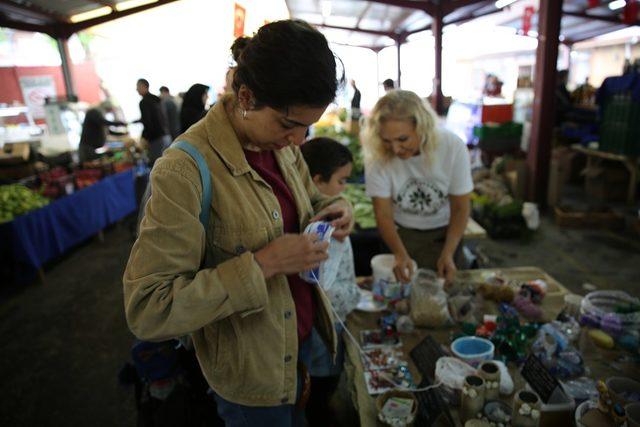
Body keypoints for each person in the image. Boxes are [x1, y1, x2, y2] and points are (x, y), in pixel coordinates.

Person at [123, 19, 352, 427]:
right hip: (251, 377)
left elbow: (306, 197)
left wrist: (333, 208)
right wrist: (262, 264)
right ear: (245, 96)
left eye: (307, 126)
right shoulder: (183, 171)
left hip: (299, 345)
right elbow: (149, 309)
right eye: (288, 124)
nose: (299, 141)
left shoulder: (281, 146)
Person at [362, 90, 472, 284]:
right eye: (387, 141)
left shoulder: (452, 146)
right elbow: (383, 214)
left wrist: (448, 253)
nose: (395, 149)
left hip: (445, 234)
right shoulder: (377, 156)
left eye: (403, 139)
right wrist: (399, 253)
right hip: (400, 234)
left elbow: (461, 208)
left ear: (423, 128)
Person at [300, 137, 359, 427]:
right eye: (342, 181)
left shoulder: (326, 214)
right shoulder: (321, 230)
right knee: (321, 384)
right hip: (324, 325)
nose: (344, 190)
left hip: (325, 322)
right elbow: (323, 289)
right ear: (317, 180)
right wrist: (355, 294)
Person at [135, 78, 170, 166]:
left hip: (155, 138)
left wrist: (144, 138)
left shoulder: (143, 102)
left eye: (138, 87)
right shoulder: (157, 99)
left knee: (157, 166)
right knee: (167, 164)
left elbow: (148, 122)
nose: (136, 89)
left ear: (144, 87)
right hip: (166, 135)